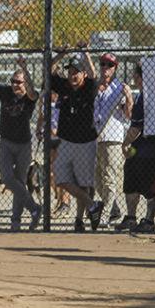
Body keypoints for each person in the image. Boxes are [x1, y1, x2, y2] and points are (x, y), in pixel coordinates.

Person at [0, 55, 41, 231]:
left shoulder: (30, 96)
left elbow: (31, 92)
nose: (15, 85)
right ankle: (34, 208)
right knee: (7, 178)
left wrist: (25, 68)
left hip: (24, 143)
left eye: (19, 82)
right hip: (6, 142)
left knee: (20, 181)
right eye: (13, 81)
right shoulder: (5, 91)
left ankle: (16, 221)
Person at [49, 47, 104, 232]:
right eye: (70, 72)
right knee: (60, 178)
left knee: (84, 183)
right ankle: (92, 205)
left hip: (86, 142)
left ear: (83, 75)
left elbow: (93, 74)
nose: (72, 75)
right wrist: (61, 54)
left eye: (76, 72)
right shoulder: (64, 86)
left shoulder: (89, 87)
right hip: (66, 141)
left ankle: (79, 220)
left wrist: (86, 53)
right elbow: (48, 68)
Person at [117, 64, 155, 233]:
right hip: (141, 145)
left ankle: (149, 220)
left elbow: (135, 128)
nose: (135, 80)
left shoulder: (151, 96)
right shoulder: (143, 96)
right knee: (131, 177)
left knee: (153, 183)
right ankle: (131, 218)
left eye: (136, 77)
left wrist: (125, 143)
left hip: (154, 145)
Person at [93, 52, 133, 226]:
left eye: (109, 65)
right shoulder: (95, 86)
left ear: (115, 68)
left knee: (109, 177)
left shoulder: (119, 88)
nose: (105, 68)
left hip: (113, 138)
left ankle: (104, 216)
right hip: (95, 137)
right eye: (102, 64)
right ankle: (114, 209)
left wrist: (129, 98)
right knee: (96, 178)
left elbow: (128, 115)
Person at [36, 91, 71, 217]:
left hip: (62, 139)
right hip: (49, 139)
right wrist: (38, 130)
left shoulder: (64, 97)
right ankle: (60, 199)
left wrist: (58, 130)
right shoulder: (44, 97)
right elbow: (41, 116)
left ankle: (64, 203)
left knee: (62, 171)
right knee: (51, 174)